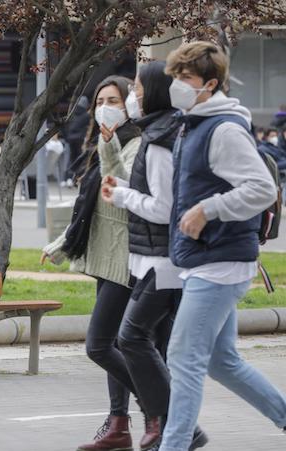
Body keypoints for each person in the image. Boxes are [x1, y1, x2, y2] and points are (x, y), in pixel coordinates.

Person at [159, 41, 286, 451]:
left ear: (210, 84)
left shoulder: (224, 128)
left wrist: (207, 210)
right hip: (209, 258)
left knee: (183, 359)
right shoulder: (192, 122)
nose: (177, 85)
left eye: (186, 79)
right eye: (175, 77)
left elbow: (262, 189)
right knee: (221, 361)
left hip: (220, 261)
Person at [100, 61, 208, 451]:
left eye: (139, 91)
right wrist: (126, 185)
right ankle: (176, 425)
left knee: (131, 337)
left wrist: (124, 195)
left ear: (155, 93)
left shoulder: (160, 140)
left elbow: (164, 208)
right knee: (137, 338)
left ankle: (179, 425)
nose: (133, 97)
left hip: (163, 261)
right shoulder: (157, 133)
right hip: (154, 260)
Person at [41, 76, 142, 451]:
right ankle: (119, 423)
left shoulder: (136, 142)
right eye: (101, 100)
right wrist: (61, 244)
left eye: (113, 99)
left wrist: (110, 140)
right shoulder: (101, 140)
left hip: (128, 259)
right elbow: (90, 208)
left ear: (128, 104)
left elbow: (124, 186)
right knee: (115, 343)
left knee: (99, 345)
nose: (105, 106)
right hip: (105, 258)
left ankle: (160, 406)